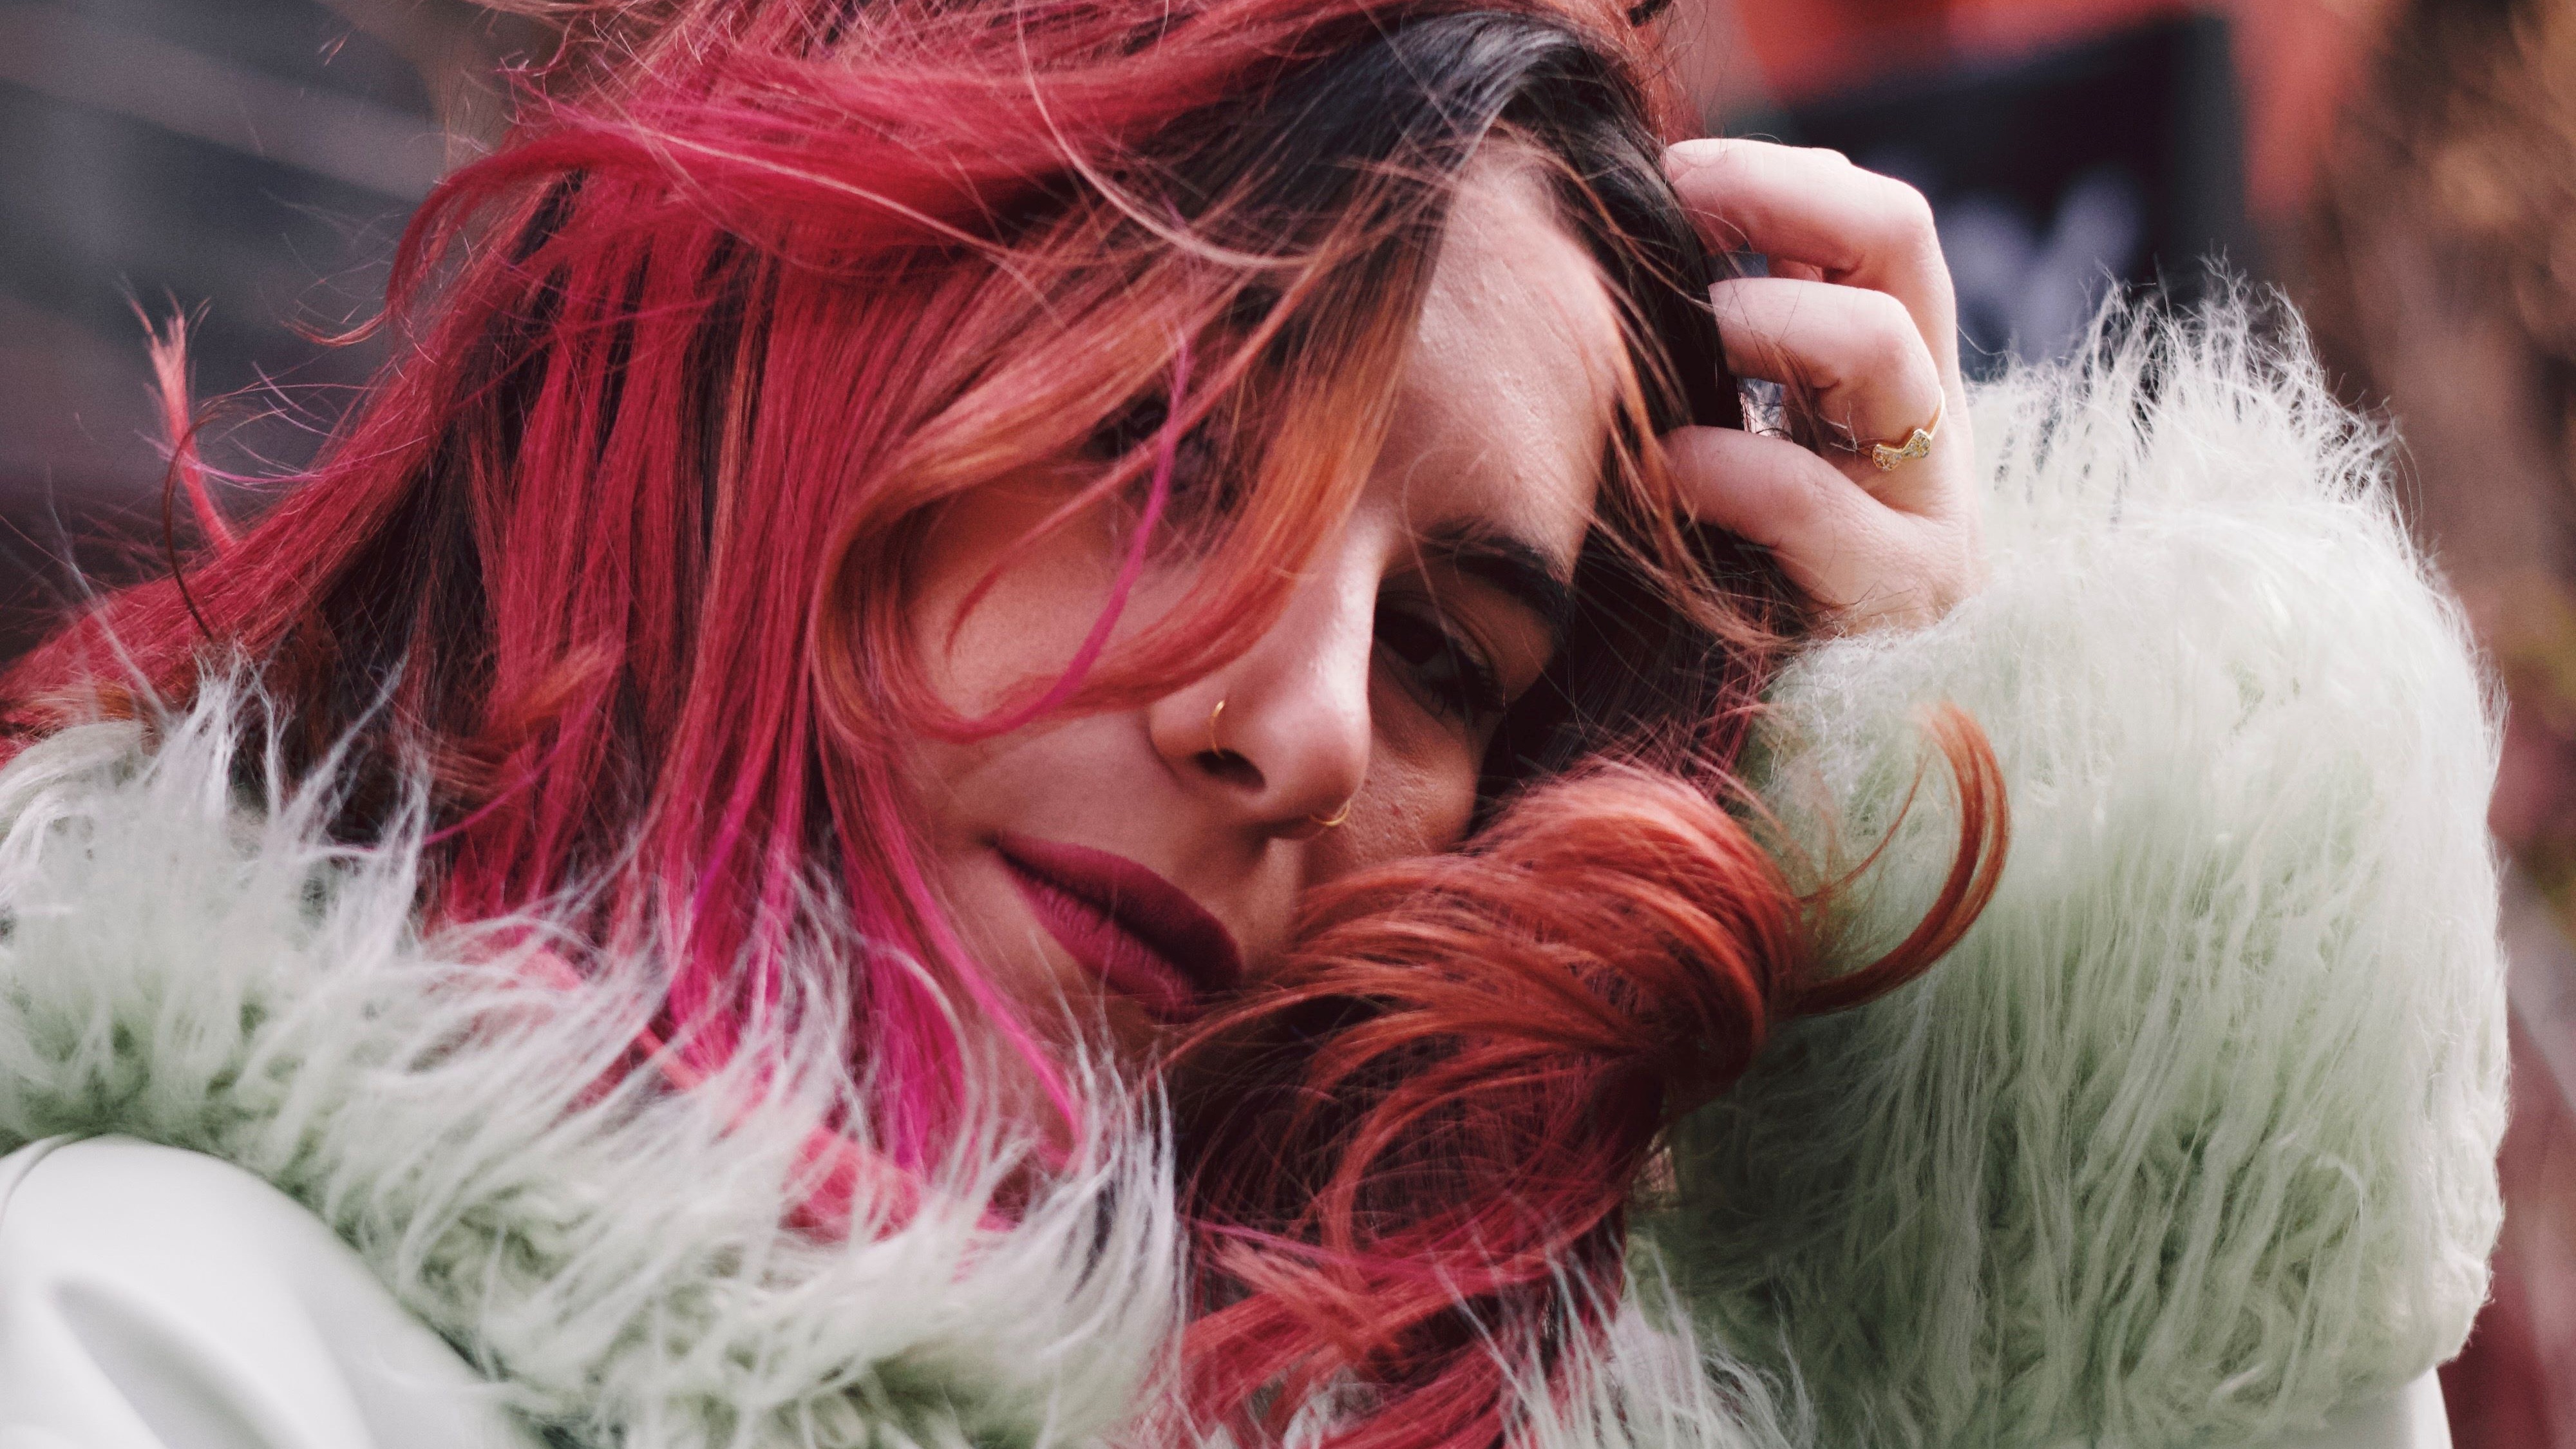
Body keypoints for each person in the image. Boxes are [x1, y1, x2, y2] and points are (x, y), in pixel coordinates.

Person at [0, 0, 2503, 1446]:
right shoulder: (146, 1340)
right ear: (785, 358)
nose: (1300, 722)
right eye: (1170, 457)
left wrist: (2037, 1049)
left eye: (1450, 657)